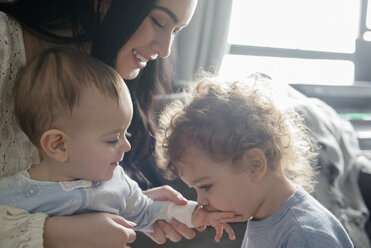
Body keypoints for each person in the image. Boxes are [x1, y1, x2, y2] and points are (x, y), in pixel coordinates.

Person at [0, 0, 199, 247]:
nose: (166, 49)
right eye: (158, 21)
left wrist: (116, 200)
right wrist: (56, 233)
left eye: (176, 30)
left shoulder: (100, 85)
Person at [0, 47, 241, 244]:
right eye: (112, 139)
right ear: (58, 145)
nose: (126, 146)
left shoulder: (117, 183)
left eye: (126, 133)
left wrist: (194, 213)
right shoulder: (13, 194)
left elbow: (148, 211)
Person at [155, 74, 355, 247]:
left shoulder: (306, 236)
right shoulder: (264, 217)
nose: (201, 203)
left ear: (255, 164)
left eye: (206, 186)